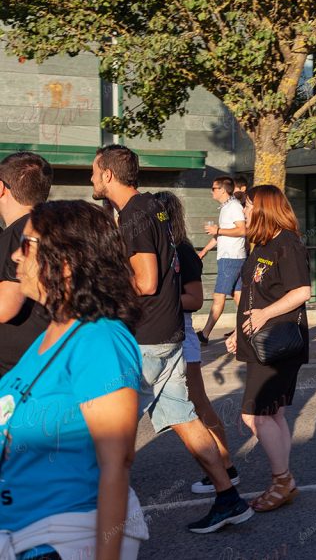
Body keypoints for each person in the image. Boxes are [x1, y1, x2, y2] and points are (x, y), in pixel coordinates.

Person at [91, 145, 251, 533]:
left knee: (107, 428)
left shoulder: (135, 213)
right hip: (168, 333)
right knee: (183, 417)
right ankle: (228, 497)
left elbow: (146, 281)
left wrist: (102, 285)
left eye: (94, 172)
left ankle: (103, 520)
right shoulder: (153, 208)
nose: (91, 179)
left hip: (145, 339)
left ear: (108, 175)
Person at [0, 200, 148, 559]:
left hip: (60, 540)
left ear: (66, 262)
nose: (16, 256)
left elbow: (117, 462)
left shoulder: (99, 339)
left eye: (26, 245)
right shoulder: (50, 336)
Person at [226, 185, 311, 513]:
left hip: (278, 341)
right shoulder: (262, 243)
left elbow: (301, 291)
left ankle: (282, 480)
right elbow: (252, 294)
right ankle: (284, 479)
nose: (245, 211)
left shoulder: (287, 243)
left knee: (255, 414)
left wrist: (264, 315)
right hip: (258, 340)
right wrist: (238, 331)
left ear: (264, 208)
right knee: (273, 413)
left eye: (248, 205)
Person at [153, 191, 239, 496]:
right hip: (158, 336)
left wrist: (156, 302)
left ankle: (226, 468)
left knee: (199, 404)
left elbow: (195, 299)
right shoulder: (157, 248)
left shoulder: (183, 250)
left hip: (182, 334)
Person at [0, 152, 51, 375]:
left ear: (1, 188)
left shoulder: (21, 232)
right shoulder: (48, 225)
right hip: (39, 362)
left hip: (18, 373)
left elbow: (5, 308)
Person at [197, 176, 247, 343]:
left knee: (219, 296)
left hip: (230, 259)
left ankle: (204, 335)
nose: (212, 191)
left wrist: (218, 230)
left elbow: (242, 230)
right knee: (239, 296)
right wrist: (204, 251)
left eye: (214, 188)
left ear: (223, 190)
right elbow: (221, 234)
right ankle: (247, 330)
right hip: (233, 258)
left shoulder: (233, 207)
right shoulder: (227, 207)